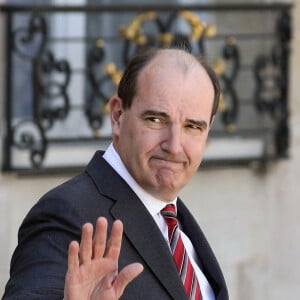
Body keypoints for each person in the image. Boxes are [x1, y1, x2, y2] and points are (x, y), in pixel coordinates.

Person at [2, 47, 229, 300]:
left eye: (193, 126)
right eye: (155, 120)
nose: (174, 146)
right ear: (118, 116)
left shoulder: (175, 222)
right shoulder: (68, 214)